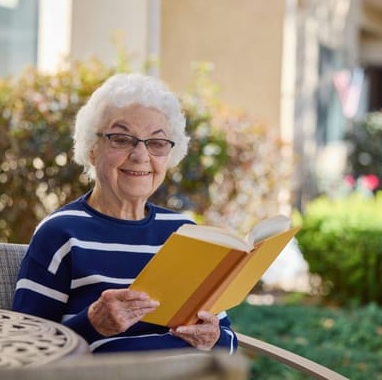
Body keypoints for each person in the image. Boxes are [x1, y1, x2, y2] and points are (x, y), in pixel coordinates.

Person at [12, 73, 238, 354]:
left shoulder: (186, 231)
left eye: (156, 143)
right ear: (92, 149)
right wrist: (91, 324)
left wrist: (214, 338)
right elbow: (23, 349)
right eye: (121, 139)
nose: (141, 155)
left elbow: (228, 344)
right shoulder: (60, 232)